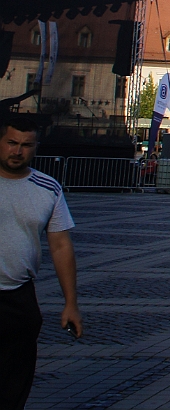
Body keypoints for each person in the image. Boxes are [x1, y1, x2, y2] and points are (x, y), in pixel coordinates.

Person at [1, 116, 83, 410]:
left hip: (18, 297)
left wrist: (70, 303)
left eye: (26, 145)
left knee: (13, 385)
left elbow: (61, 246)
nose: (17, 151)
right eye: (11, 143)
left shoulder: (47, 189)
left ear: (35, 148)